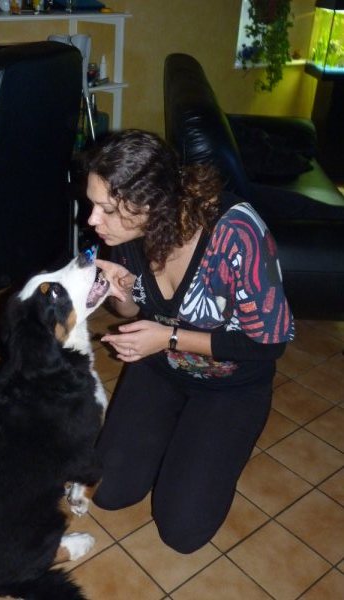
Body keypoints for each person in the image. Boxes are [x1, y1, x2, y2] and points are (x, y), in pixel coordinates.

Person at [84, 129, 294, 554]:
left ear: (150, 205)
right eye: (93, 205)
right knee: (108, 491)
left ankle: (208, 439)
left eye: (106, 209)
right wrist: (119, 294)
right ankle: (176, 430)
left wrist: (169, 337)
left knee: (181, 530)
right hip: (161, 369)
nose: (92, 220)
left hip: (232, 383)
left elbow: (269, 344)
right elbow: (131, 308)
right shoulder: (126, 234)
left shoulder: (235, 232)